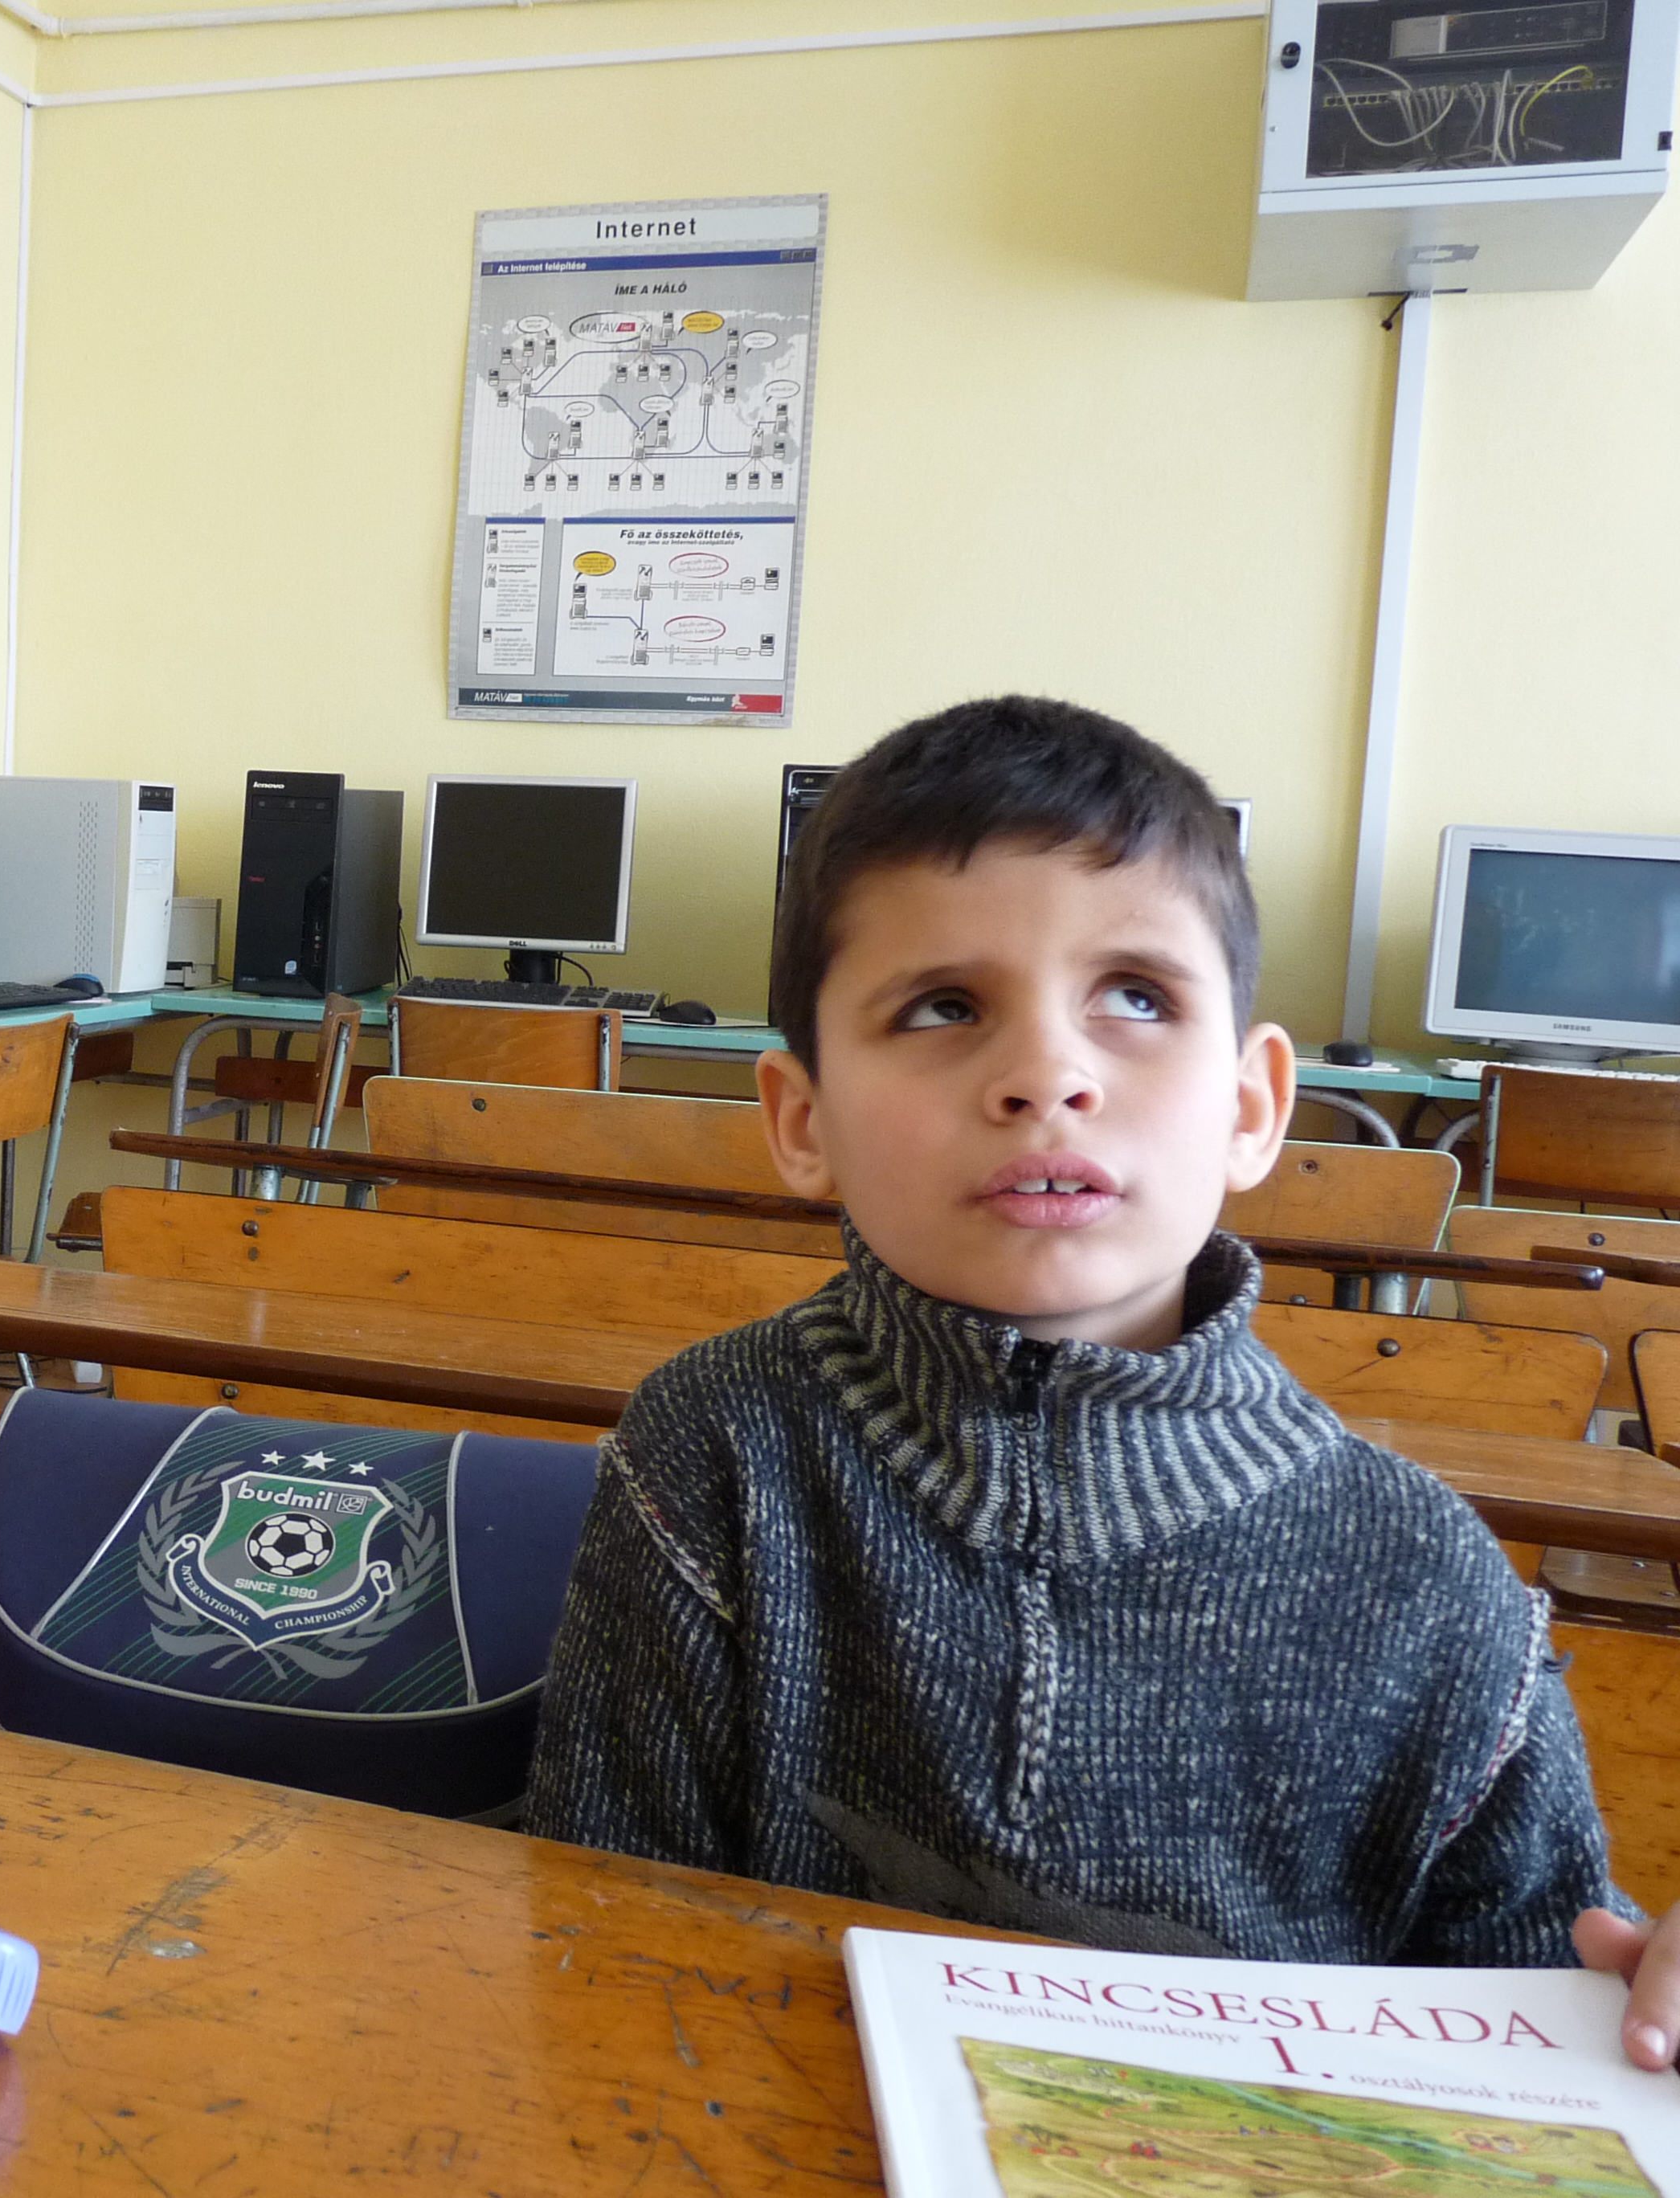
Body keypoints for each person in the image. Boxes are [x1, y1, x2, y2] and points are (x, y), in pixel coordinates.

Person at [525, 695, 1680, 2063]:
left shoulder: (1422, 1577)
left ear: (1250, 1106)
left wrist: (1650, 1999)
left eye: (1136, 996)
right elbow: (602, 1945)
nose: (1046, 1074)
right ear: (801, 1117)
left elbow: (1555, 2023)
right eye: (943, 1006)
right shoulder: (714, 1450)